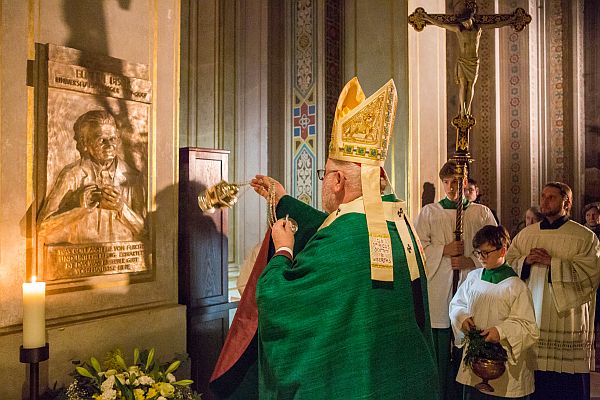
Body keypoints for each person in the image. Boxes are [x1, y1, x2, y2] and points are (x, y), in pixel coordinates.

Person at [244, 77, 439, 399]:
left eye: (323, 175)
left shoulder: (347, 238)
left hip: (356, 385)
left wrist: (283, 249)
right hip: (402, 381)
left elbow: (278, 299)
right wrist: (282, 200)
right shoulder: (396, 224)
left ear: (336, 180)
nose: (323, 183)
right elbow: (333, 229)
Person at [506, 182, 600, 400]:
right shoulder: (526, 235)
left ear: (566, 202)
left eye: (551, 197)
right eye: (543, 196)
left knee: (568, 386)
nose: (545, 201)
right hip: (534, 315)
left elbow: (591, 274)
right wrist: (525, 261)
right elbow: (507, 264)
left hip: (567, 319)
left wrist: (552, 263)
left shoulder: (584, 237)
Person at [415, 161, 497, 400]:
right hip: (439, 288)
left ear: (465, 182)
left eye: (456, 182)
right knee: (441, 349)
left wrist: (470, 261)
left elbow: (496, 246)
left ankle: (466, 394)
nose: (452, 187)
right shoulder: (430, 212)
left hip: (470, 287)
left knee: (470, 342)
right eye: (447, 182)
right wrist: (444, 249)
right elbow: (418, 249)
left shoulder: (481, 213)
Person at [450, 225, 539, 399]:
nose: (481, 258)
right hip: (475, 362)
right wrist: (462, 318)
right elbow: (456, 304)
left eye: (486, 253)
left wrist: (500, 332)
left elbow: (529, 328)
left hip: (505, 369)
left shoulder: (516, 287)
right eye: (478, 253)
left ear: (502, 251)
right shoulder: (473, 278)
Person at [38, 109, 146, 243]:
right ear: (84, 143)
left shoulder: (131, 177)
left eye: (113, 139)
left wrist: (122, 208)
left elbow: (144, 232)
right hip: (79, 259)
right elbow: (43, 229)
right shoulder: (72, 175)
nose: (109, 145)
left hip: (122, 258)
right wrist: (78, 207)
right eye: (102, 140)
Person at [421, 7, 515, 117]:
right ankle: (463, 110)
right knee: (463, 85)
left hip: (473, 62)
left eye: (467, 21)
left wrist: (510, 20)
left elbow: (496, 24)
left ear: (471, 19)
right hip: (463, 61)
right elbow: (442, 24)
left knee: (471, 86)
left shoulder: (478, 29)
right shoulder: (458, 30)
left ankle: (468, 108)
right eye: (463, 22)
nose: (465, 24)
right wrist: (427, 18)